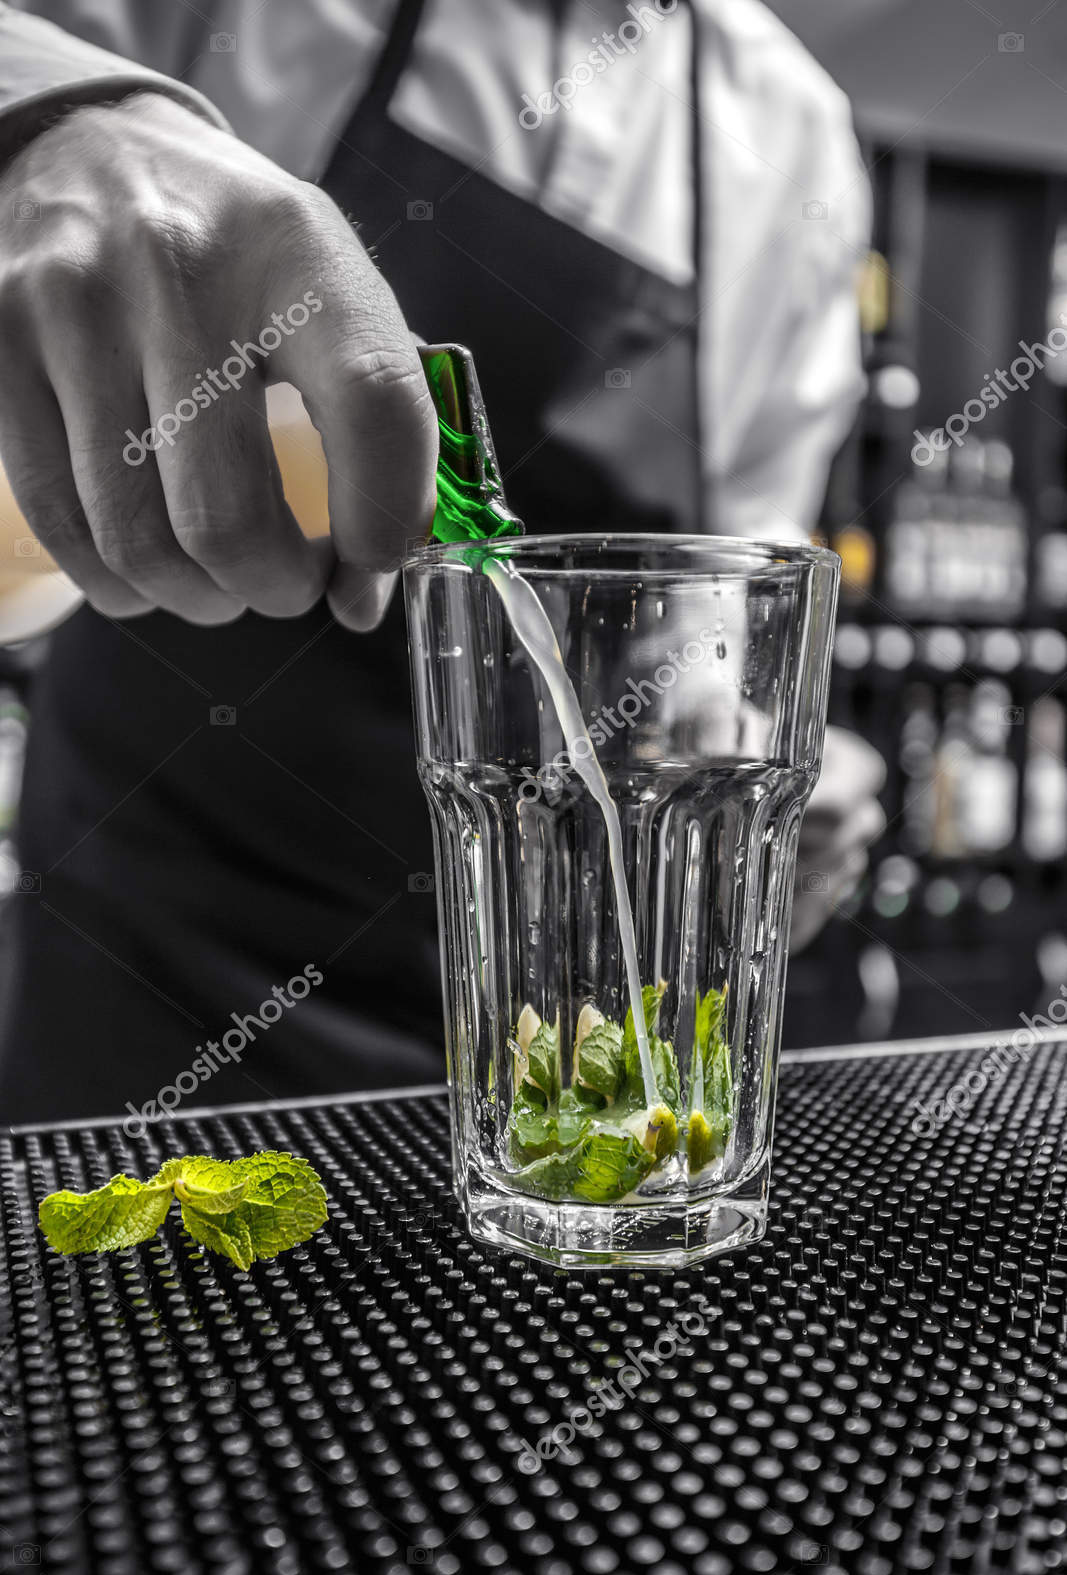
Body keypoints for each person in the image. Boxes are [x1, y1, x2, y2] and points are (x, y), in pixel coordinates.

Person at [0, 0, 884, 1122]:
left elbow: (715, 594)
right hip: (163, 934)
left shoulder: (788, 126)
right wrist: (51, 123)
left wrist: (739, 753)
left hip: (550, 1020)